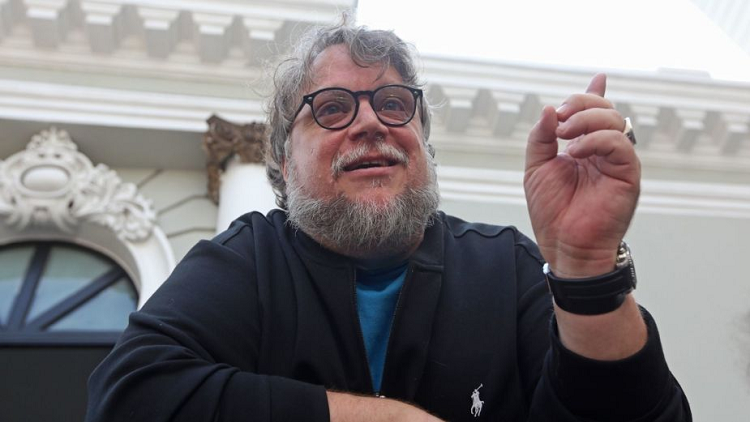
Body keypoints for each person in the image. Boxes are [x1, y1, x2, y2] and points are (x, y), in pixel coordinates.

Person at [86, 19, 692, 422]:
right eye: (331, 108)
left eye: (394, 103)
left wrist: (586, 270)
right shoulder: (248, 261)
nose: (371, 121)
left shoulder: (505, 268)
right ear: (283, 161)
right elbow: (129, 398)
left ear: (423, 143)